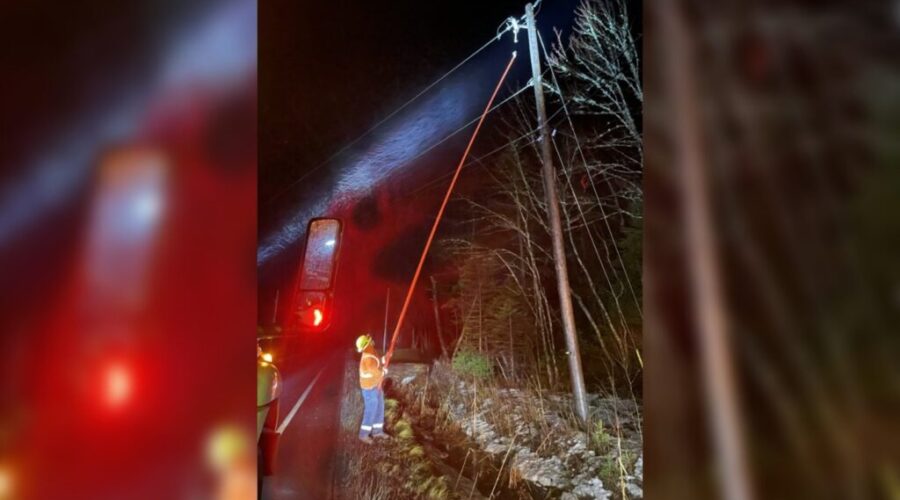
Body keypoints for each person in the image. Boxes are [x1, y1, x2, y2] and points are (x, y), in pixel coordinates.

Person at [355, 334, 389, 443]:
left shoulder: (371, 352)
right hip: (369, 389)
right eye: (370, 341)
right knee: (371, 410)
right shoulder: (367, 356)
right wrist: (382, 372)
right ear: (367, 344)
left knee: (379, 407)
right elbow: (373, 369)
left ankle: (377, 432)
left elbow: (377, 362)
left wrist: (385, 358)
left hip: (376, 385)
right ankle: (363, 435)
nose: (372, 341)